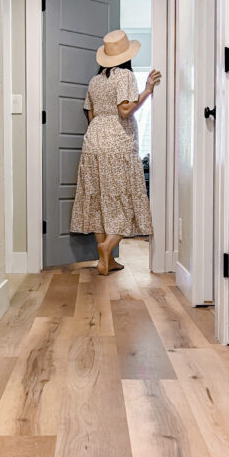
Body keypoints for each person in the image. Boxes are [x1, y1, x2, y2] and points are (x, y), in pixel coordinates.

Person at [70, 29, 161, 275]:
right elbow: (125, 110)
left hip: (93, 142)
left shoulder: (94, 80)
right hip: (116, 144)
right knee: (123, 198)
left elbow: (90, 115)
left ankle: (107, 261)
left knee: (100, 200)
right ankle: (108, 245)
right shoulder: (125, 76)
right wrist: (147, 90)